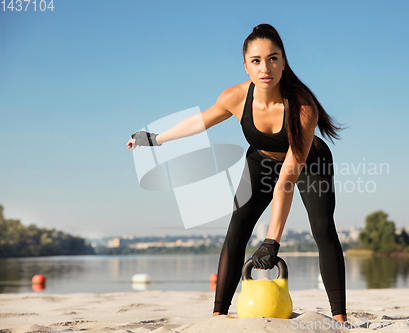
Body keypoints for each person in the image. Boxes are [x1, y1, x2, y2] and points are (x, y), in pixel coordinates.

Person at [126, 24, 347, 322]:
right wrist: (155, 138)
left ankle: (341, 317)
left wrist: (272, 241)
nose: (264, 67)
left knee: (322, 229)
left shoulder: (303, 107)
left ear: (283, 61)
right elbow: (199, 122)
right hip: (262, 160)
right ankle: (219, 313)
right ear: (245, 66)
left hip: (309, 163)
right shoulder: (235, 97)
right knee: (237, 226)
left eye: (273, 58)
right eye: (256, 61)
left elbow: (286, 180)